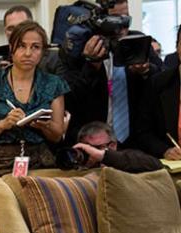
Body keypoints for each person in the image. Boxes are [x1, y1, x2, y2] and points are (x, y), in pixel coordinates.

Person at [59, 0, 163, 149]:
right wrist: (91, 65)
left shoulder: (137, 41)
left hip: (137, 140)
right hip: (94, 140)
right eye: (115, 18)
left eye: (126, 17)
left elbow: (162, 80)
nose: (122, 25)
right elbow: (71, 97)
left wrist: (146, 71)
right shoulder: (80, 47)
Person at [0, 21, 69, 177]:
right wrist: (2, 124)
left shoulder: (53, 84)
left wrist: (43, 125)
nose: (28, 53)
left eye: (35, 47)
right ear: (12, 49)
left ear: (43, 52)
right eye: (22, 46)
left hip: (41, 161)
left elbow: (57, 135)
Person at [134, 52, 181, 160]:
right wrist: (164, 150)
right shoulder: (159, 82)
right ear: (177, 48)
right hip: (174, 164)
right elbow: (143, 131)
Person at [0, 5, 65, 75]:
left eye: (21, 26)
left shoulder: (55, 59)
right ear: (5, 32)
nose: (16, 31)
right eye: (10, 28)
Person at [73, 121, 162, 172]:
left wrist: (102, 156)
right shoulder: (77, 164)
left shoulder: (126, 158)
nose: (90, 152)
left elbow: (155, 164)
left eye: (95, 148)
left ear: (112, 145)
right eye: (86, 149)